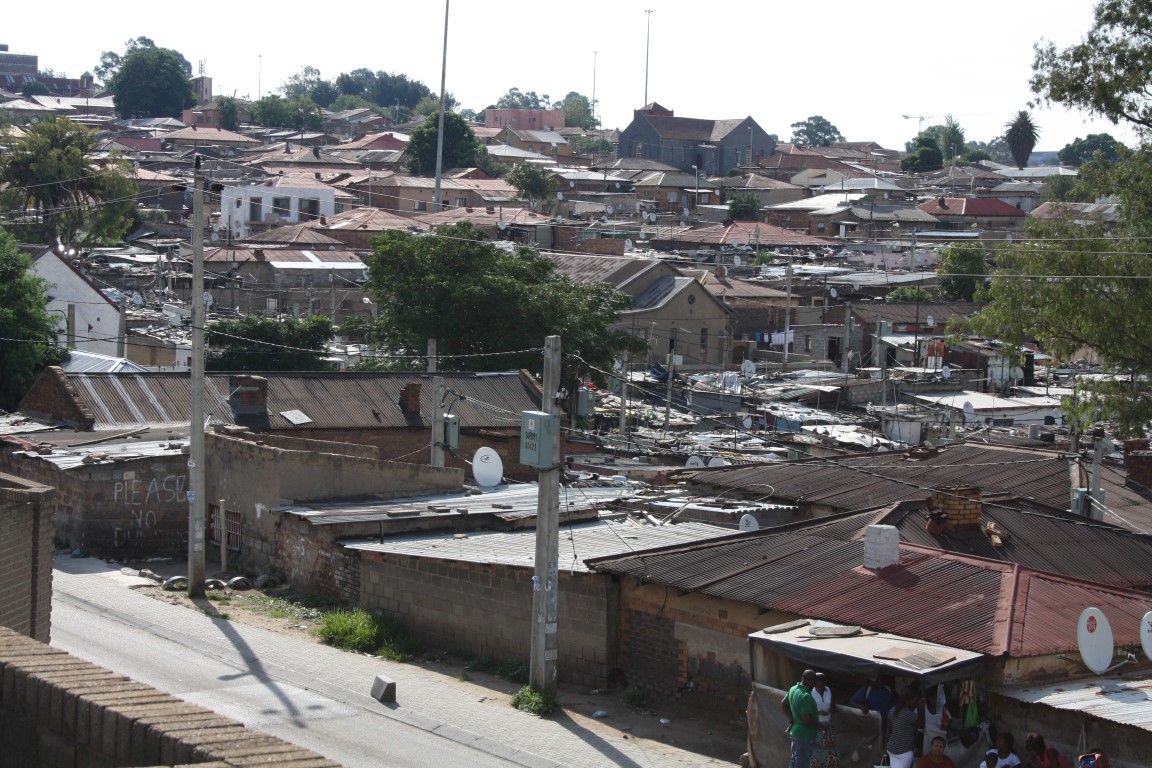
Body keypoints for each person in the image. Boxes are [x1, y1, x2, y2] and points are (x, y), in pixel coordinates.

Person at [780, 669, 820, 768]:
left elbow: (784, 704)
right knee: (801, 764)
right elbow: (807, 721)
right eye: (814, 681)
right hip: (804, 736)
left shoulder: (793, 689)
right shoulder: (806, 697)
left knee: (794, 762)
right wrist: (821, 726)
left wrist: (792, 720)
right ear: (809, 681)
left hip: (796, 733)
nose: (815, 685)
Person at [849, 675, 896, 742]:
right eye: (876, 679)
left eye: (880, 679)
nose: (878, 681)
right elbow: (851, 703)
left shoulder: (888, 690)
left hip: (888, 730)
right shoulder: (866, 690)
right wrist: (861, 707)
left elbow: (898, 702)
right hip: (872, 730)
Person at [886, 685, 923, 768]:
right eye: (916, 700)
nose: (916, 702)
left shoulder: (892, 710)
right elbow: (921, 725)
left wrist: (885, 748)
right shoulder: (910, 715)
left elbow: (888, 732)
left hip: (891, 749)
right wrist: (919, 708)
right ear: (910, 700)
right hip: (904, 752)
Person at [811, 672, 839, 768]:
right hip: (816, 726)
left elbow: (834, 707)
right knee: (816, 752)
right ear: (815, 683)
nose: (822, 685)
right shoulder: (810, 693)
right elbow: (807, 712)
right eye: (819, 682)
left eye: (823, 682)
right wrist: (819, 712)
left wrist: (831, 710)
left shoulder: (829, 691)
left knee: (830, 752)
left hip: (827, 726)